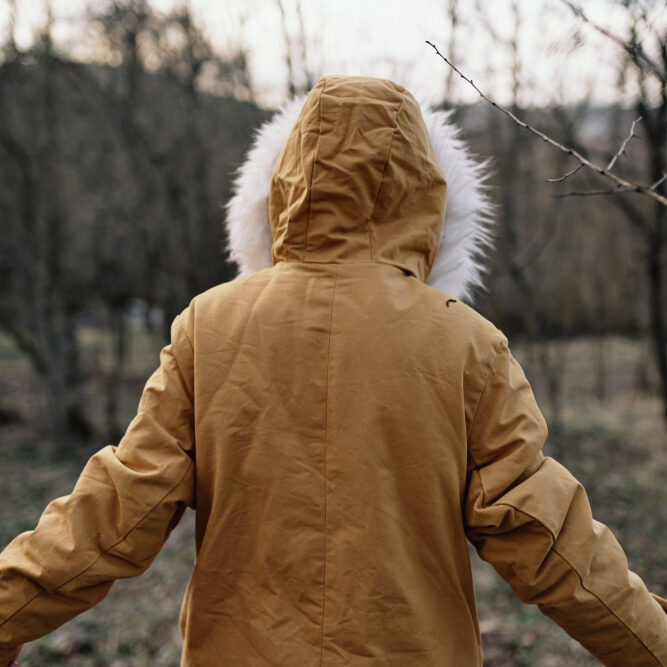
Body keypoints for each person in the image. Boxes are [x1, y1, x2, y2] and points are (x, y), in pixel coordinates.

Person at [1, 75, 665, 666]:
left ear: (283, 182)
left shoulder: (210, 326)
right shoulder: (467, 345)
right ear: (427, 191)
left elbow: (112, 515)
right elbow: (552, 542)